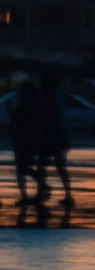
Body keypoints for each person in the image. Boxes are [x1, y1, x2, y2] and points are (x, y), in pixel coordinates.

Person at [10, 74, 48, 203]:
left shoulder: (24, 105)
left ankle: (25, 195)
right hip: (32, 139)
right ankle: (39, 185)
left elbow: (15, 118)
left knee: (21, 168)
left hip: (22, 138)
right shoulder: (36, 105)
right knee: (26, 167)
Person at [38, 71, 75, 205]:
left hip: (52, 136)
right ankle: (68, 195)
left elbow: (46, 117)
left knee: (42, 165)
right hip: (60, 136)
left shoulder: (50, 97)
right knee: (59, 167)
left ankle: (42, 192)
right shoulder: (59, 95)